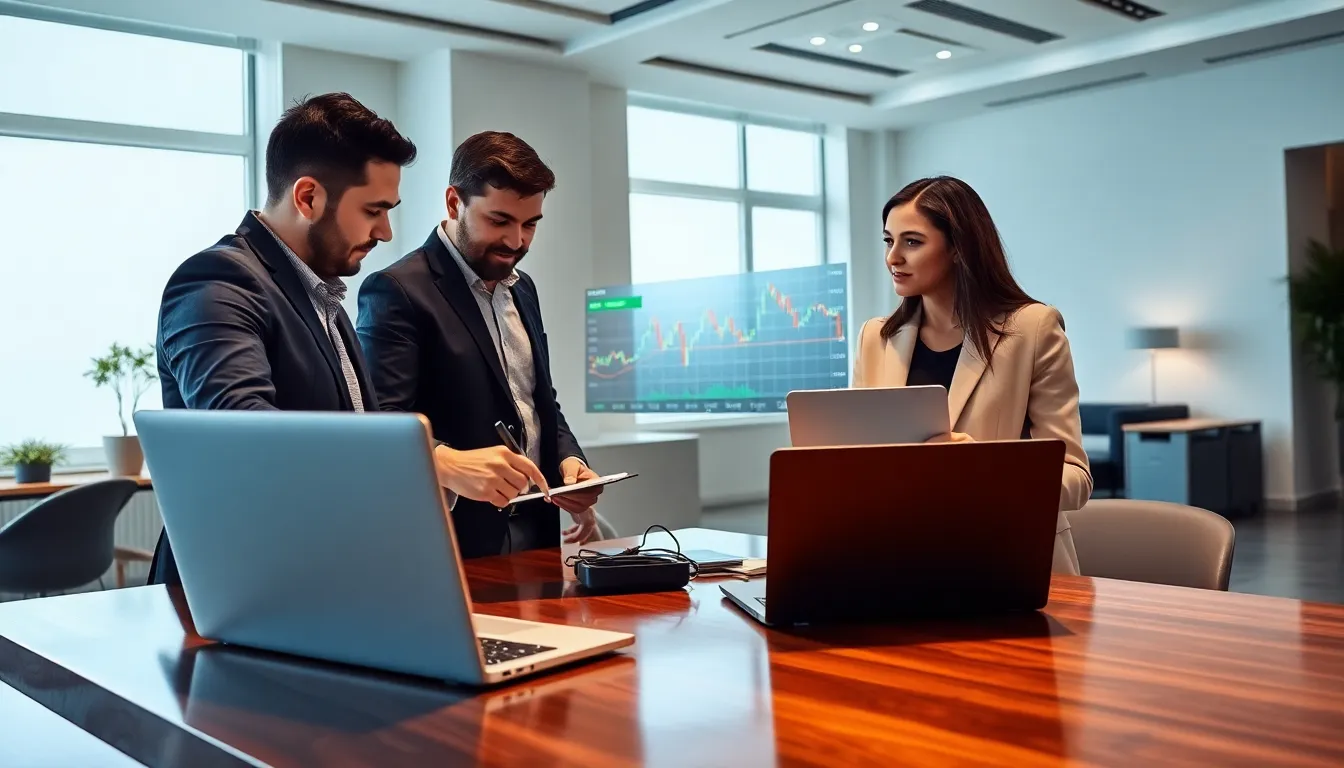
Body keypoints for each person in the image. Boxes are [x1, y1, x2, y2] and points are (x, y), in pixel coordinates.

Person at [148, 93, 418, 585]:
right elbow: (248, 440)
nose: (386, 232)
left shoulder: (323, 295)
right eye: (374, 210)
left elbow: (354, 429)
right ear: (308, 197)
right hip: (236, 589)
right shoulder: (216, 282)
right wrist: (424, 466)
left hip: (316, 577)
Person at [356, 131, 601, 558]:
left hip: (538, 528)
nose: (516, 242)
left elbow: (537, 401)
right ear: (454, 203)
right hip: (451, 541)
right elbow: (383, 422)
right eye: (500, 220)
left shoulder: (523, 289)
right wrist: (450, 463)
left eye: (530, 225)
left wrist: (569, 462)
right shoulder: (396, 290)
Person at [851, 176, 1091, 574]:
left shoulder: (1033, 329)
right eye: (888, 241)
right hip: (898, 556)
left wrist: (980, 467)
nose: (893, 257)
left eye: (912, 241)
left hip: (1010, 558)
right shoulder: (875, 338)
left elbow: (1075, 478)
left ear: (959, 248)